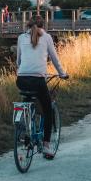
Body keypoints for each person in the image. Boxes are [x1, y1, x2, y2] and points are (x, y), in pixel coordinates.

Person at [16, 16, 69, 158]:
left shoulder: (21, 37)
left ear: (28, 25)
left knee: (27, 100)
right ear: (43, 25)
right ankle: (46, 146)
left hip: (21, 80)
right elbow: (55, 60)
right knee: (47, 110)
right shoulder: (47, 37)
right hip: (38, 80)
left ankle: (26, 134)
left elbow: (18, 61)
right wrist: (62, 74)